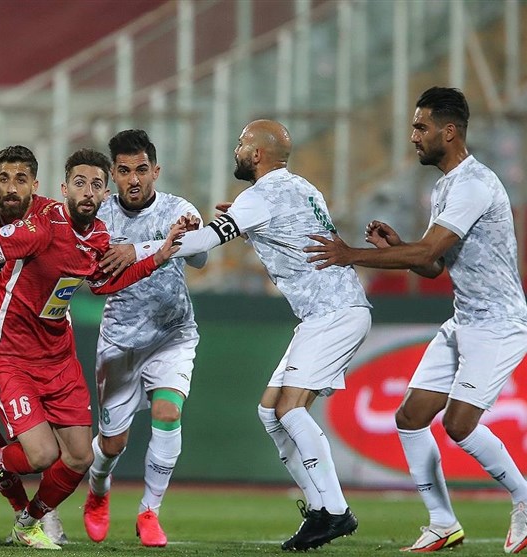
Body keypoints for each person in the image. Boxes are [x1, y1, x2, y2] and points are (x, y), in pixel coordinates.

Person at [0, 148, 184, 550]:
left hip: (57, 356)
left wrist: (160, 255)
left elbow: (103, 283)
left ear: (105, 193)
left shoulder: (97, 236)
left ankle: (29, 520)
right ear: (64, 189)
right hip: (11, 353)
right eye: (79, 183)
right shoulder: (40, 228)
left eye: (96, 185)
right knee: (40, 455)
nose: (88, 192)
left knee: (80, 457)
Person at [104, 119, 371, 551]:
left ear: (257, 154)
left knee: (290, 410)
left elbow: (199, 244)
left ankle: (336, 511)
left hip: (333, 313)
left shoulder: (259, 197)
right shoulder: (303, 188)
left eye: (242, 144)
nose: (237, 150)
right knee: (271, 412)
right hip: (330, 312)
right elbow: (290, 234)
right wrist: (246, 225)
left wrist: (138, 249)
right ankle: (321, 508)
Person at [304, 86, 527, 554]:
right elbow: (433, 264)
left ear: (450, 132)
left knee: (459, 424)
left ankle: (524, 497)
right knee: (409, 417)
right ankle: (442, 523)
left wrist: (350, 254)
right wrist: (397, 246)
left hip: (498, 324)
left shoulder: (473, 185)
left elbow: (427, 255)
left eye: (421, 127)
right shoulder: (446, 185)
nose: (413, 136)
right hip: (464, 320)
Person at [82, 129, 207, 547]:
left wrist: (188, 234)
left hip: (173, 333)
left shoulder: (178, 210)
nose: (133, 179)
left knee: (168, 414)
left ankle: (149, 510)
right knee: (113, 443)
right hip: (120, 340)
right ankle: (98, 491)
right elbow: (93, 274)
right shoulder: (101, 217)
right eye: (124, 171)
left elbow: (201, 257)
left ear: (156, 171)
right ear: (113, 175)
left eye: (141, 169)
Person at [0, 145, 67, 544]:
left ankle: (45, 512)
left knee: (56, 441)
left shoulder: (52, 216)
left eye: (21, 179)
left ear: (34, 185)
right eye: (4, 179)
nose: (11, 188)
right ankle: (24, 512)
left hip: (45, 343)